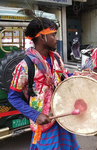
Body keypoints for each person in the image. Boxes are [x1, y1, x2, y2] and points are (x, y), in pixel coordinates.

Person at [7, 17, 80, 150]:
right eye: (53, 35)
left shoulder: (57, 58)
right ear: (42, 37)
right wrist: (35, 115)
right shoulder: (24, 67)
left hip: (63, 117)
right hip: (45, 123)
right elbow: (13, 97)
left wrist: (79, 75)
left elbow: (64, 76)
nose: (57, 38)